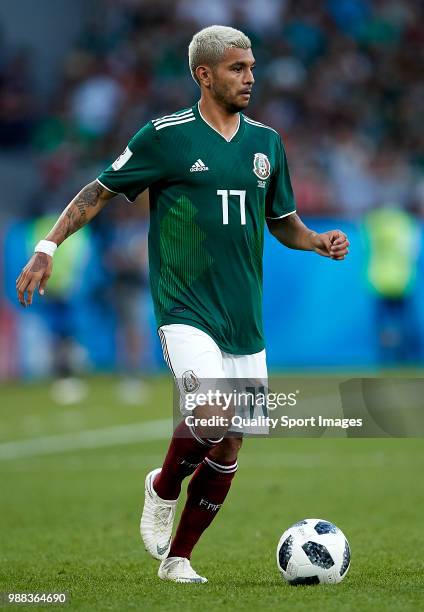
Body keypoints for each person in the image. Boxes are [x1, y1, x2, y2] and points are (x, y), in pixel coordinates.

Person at [16, 25, 349, 584]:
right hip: (185, 307)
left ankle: (178, 559)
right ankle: (163, 488)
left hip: (244, 315)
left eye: (251, 67)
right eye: (237, 68)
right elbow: (97, 190)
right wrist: (47, 247)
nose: (250, 77)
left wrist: (313, 240)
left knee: (230, 446)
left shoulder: (266, 143)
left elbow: (281, 221)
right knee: (212, 414)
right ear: (204, 74)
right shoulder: (165, 136)